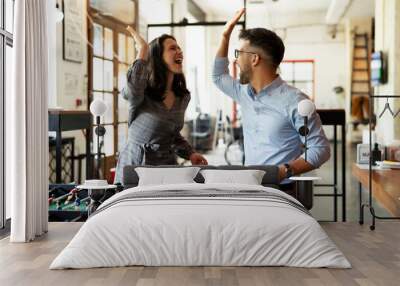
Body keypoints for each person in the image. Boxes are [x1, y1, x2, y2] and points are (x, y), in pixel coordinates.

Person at [212, 9, 330, 184]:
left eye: (239, 54)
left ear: (254, 59)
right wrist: (224, 37)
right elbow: (219, 76)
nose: (235, 60)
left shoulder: (295, 101)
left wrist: (284, 171)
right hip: (251, 187)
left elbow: (320, 149)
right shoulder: (244, 93)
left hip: (282, 190)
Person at [114, 27, 208, 184]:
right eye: (172, 48)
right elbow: (131, 90)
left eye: (179, 47)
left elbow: (172, 135)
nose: (179, 51)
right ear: (157, 57)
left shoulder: (183, 96)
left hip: (166, 167)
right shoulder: (142, 91)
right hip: (136, 166)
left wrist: (190, 154)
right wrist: (143, 51)